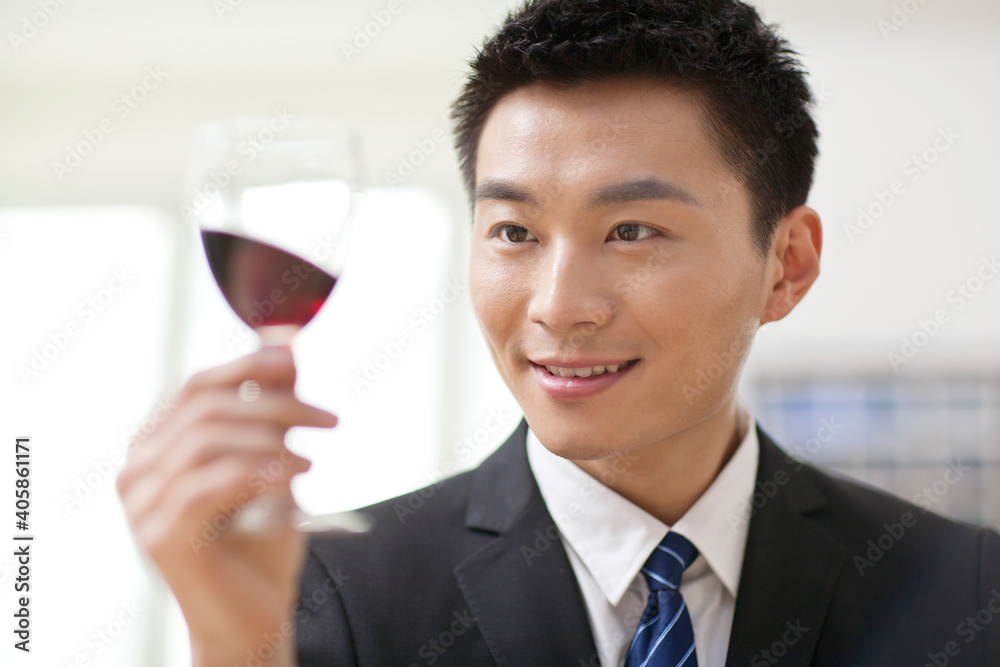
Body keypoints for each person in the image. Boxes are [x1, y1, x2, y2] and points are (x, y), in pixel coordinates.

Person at [117, 1, 1000, 665]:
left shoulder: (965, 592)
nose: (557, 305)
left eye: (631, 231)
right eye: (514, 232)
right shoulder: (330, 597)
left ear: (787, 266)